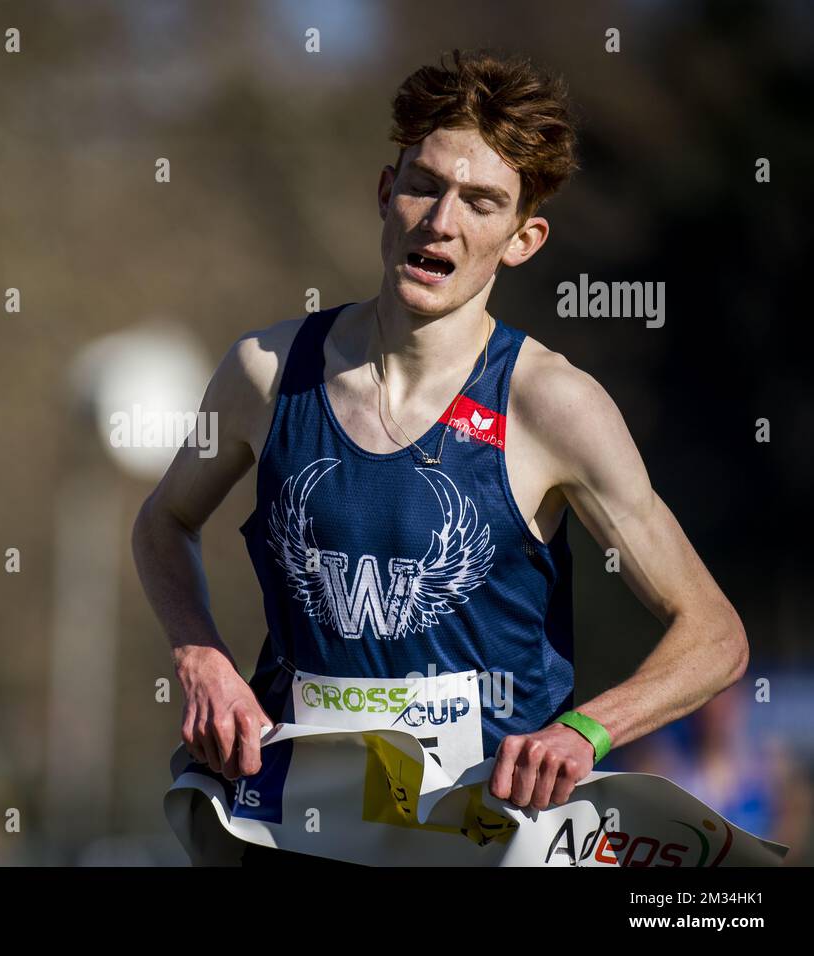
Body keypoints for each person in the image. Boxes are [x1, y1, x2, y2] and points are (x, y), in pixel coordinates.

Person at [132, 49, 749, 864]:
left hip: (484, 837)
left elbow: (715, 634)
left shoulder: (552, 406)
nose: (441, 221)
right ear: (386, 193)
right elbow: (163, 522)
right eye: (424, 185)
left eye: (481, 203)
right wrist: (201, 656)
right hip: (301, 831)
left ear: (523, 239)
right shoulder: (267, 373)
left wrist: (585, 732)